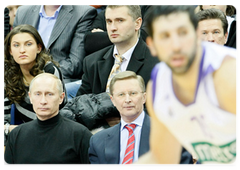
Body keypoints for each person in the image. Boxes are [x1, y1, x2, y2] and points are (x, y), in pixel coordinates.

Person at [136, 3, 237, 165]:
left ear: (197, 36)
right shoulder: (158, 85)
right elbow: (162, 158)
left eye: (183, 33)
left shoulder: (229, 75)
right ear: (152, 45)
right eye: (165, 36)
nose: (176, 46)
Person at [88, 71, 193, 165]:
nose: (127, 99)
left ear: (144, 97)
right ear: (113, 100)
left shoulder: (169, 133)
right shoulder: (98, 141)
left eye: (133, 93)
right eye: (121, 95)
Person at [2, 73, 92, 164]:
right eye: (38, 94)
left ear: (61, 97)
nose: (43, 101)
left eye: (49, 94)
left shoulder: (80, 135)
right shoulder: (16, 135)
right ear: (30, 97)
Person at [13, 3, 97, 99]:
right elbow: (13, 51)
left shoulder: (83, 12)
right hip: (22, 77)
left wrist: (39, 78)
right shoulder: (23, 11)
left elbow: (74, 64)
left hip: (60, 78)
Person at [77, 3, 159, 96]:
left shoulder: (156, 64)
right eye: (109, 21)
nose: (113, 28)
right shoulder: (92, 62)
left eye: (120, 20)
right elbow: (79, 105)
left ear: (137, 23)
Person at [2, 24, 67, 127]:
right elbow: (3, 120)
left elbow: (56, 115)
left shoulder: (49, 71)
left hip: (54, 129)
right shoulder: (7, 75)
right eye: (16, 45)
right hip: (24, 131)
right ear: (10, 51)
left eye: (28, 44)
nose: (22, 50)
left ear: (39, 48)